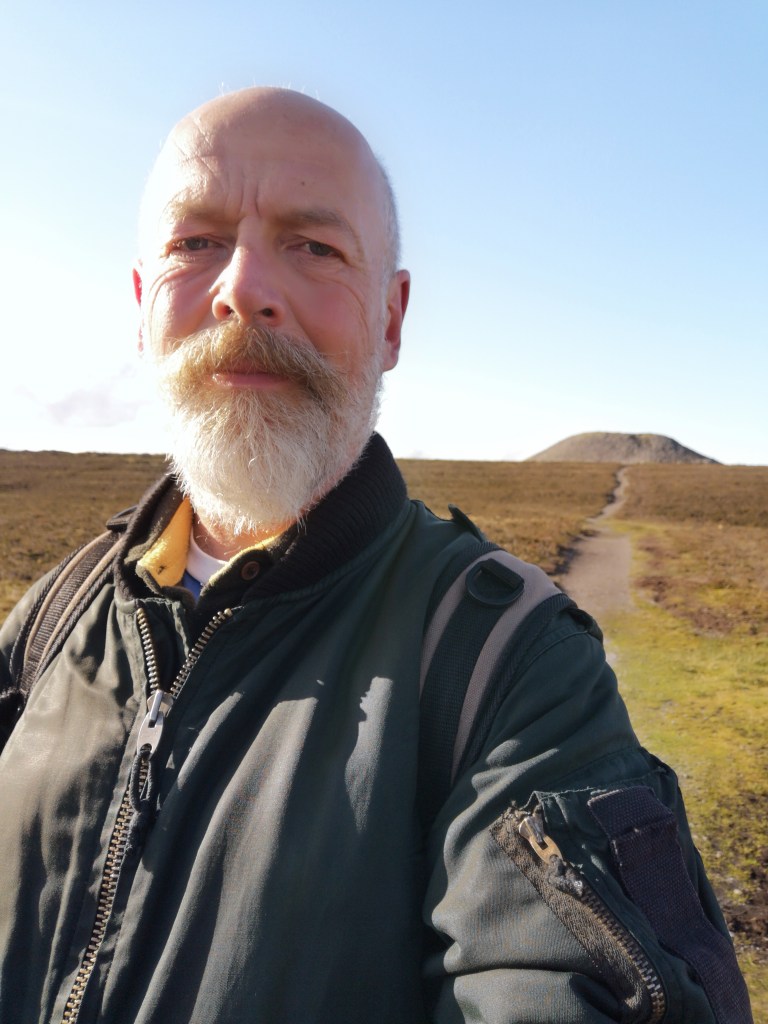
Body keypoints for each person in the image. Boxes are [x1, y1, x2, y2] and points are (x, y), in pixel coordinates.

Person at [0, 88, 751, 1024]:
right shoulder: (55, 614)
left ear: (392, 319)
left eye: (315, 246)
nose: (244, 289)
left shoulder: (513, 667)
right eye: (195, 242)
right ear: (141, 303)